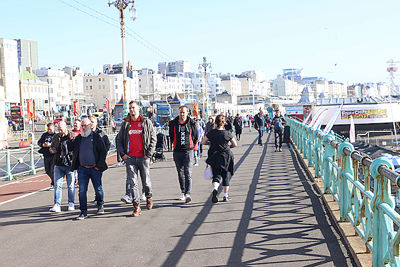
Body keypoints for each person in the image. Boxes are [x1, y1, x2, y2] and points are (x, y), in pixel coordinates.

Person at [117, 101, 156, 217]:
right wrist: (123, 154)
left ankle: (149, 197)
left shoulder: (146, 122)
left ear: (138, 109)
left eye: (133, 108)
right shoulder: (125, 124)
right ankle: (136, 206)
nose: (131, 110)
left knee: (146, 181)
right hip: (130, 158)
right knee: (133, 183)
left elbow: (153, 139)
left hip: (143, 158)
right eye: (130, 108)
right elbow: (119, 141)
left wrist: (149, 153)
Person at [70, 118, 108, 220]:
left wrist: (98, 166)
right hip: (82, 169)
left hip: (94, 168)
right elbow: (70, 148)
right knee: (82, 191)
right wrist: (70, 139)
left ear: (90, 125)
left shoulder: (96, 137)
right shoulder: (79, 138)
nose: (83, 127)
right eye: (82, 126)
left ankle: (100, 205)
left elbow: (103, 151)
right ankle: (83, 211)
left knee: (98, 189)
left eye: (85, 125)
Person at [202, 114, 237, 203]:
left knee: (216, 175)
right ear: (224, 123)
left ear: (215, 122)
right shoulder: (227, 133)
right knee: (225, 176)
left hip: (214, 156)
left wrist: (210, 143)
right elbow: (234, 144)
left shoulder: (211, 133)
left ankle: (215, 189)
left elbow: (203, 142)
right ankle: (225, 196)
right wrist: (228, 147)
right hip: (225, 156)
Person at [169, 105, 198, 203]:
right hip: (177, 151)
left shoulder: (192, 123)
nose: (182, 114)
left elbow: (195, 136)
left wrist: (192, 146)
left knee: (188, 172)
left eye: (184, 112)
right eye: (180, 112)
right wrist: (174, 145)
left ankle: (188, 193)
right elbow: (171, 136)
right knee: (180, 173)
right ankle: (183, 191)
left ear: (187, 113)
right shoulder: (173, 123)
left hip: (188, 151)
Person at [49, 121, 75, 213]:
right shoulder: (56, 137)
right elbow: (51, 147)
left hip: (69, 164)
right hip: (58, 164)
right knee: (57, 185)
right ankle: (57, 204)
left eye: (61, 129)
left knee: (71, 185)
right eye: (58, 129)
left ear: (66, 128)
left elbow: (75, 148)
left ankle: (71, 203)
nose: (59, 131)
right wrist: (52, 150)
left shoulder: (71, 136)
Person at [38, 123, 56, 190]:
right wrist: (43, 144)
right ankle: (54, 181)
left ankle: (53, 183)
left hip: (53, 155)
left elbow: (58, 143)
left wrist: (51, 145)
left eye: (50, 129)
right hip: (46, 154)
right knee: (47, 170)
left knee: (52, 170)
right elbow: (39, 142)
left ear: (53, 128)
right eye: (48, 129)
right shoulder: (44, 135)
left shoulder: (56, 135)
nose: (49, 131)